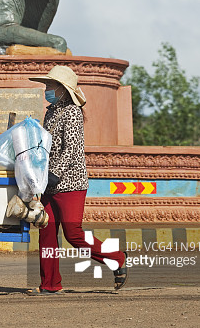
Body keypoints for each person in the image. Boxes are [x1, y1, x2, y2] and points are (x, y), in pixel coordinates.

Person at [27, 65, 128, 294]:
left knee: (74, 234)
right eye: (47, 85)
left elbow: (71, 149)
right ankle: (50, 284)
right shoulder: (51, 112)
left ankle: (118, 258)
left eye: (51, 85)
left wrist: (56, 173)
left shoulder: (72, 112)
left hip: (70, 183)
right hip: (49, 182)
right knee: (47, 231)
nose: (47, 89)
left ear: (63, 89)